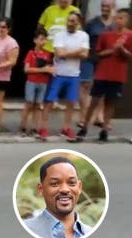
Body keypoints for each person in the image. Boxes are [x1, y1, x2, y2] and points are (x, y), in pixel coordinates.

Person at [77, 8, 132, 143]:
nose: (119, 21)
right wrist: (111, 51)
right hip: (102, 73)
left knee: (110, 103)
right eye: (117, 18)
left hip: (117, 75)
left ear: (127, 20)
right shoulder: (106, 35)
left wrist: (121, 49)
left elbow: (129, 56)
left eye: (122, 18)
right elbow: (98, 53)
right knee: (94, 100)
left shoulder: (130, 35)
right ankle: (84, 127)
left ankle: (104, 130)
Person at [40, 12, 89, 141]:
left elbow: (85, 55)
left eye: (73, 21)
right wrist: (78, 51)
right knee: (49, 101)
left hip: (73, 74)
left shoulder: (83, 36)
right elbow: (59, 54)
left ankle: (66, 128)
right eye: (68, 20)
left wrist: (68, 53)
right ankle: (43, 128)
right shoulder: (59, 35)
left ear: (78, 22)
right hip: (58, 73)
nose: (70, 23)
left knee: (71, 103)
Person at [24, 157, 92, 238]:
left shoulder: (91, 233)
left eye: (71, 183)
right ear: (41, 189)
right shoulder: (26, 230)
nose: (65, 189)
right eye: (54, 183)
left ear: (79, 187)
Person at [78, 0, 115, 130]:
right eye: (103, 6)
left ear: (113, 7)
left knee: (102, 88)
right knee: (85, 85)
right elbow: (83, 37)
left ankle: (100, 117)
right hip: (90, 57)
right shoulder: (93, 23)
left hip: (107, 60)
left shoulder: (116, 24)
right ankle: (83, 117)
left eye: (107, 6)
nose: (104, 8)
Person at [19, 29, 54, 137]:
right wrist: (43, 70)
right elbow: (26, 69)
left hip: (43, 82)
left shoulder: (48, 54)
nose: (43, 42)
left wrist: (48, 69)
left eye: (45, 40)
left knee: (38, 105)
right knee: (29, 104)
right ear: (35, 40)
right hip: (32, 81)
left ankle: (35, 127)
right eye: (41, 39)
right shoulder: (31, 53)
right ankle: (23, 126)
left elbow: (51, 68)